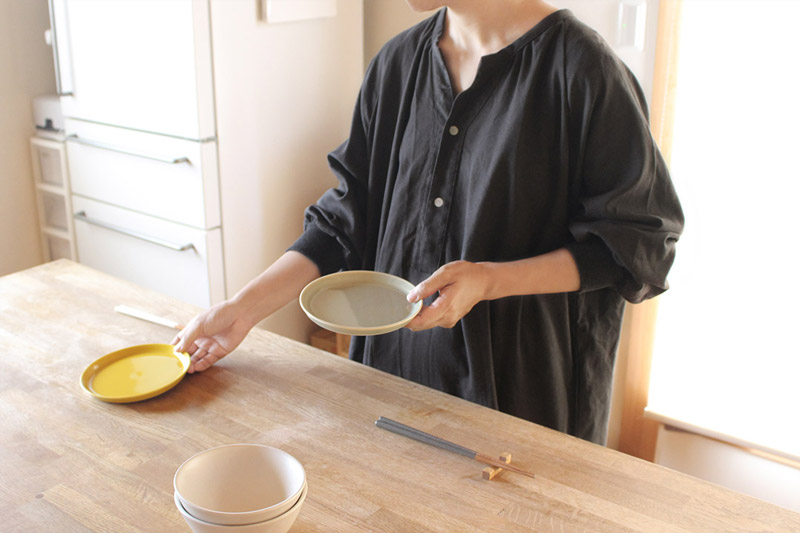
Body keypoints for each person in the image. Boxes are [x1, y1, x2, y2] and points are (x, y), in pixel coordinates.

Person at [172, 0, 683, 445]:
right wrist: (242, 310)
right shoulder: (397, 64)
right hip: (393, 380)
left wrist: (489, 280)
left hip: (522, 402)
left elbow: (638, 242)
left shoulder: (582, 70)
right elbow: (346, 219)